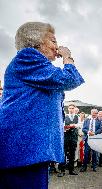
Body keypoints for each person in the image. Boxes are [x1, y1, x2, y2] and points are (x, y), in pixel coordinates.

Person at [0, 22, 84, 188]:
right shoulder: (27, 57)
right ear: (35, 42)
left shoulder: (37, 66)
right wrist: (67, 57)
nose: (57, 47)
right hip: (23, 149)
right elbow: (70, 78)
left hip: (29, 150)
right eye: (53, 41)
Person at [58, 104, 80, 177]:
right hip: (66, 136)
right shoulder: (65, 116)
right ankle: (62, 170)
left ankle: (71, 170)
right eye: (70, 108)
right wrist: (65, 128)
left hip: (74, 137)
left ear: (74, 109)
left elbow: (80, 125)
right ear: (68, 109)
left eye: (72, 108)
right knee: (63, 153)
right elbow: (61, 125)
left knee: (72, 154)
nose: (71, 109)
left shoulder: (77, 117)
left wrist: (74, 125)